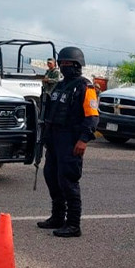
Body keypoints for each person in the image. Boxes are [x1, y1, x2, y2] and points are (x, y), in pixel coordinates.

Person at [37, 46, 99, 238]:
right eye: (61, 63)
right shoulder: (60, 85)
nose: (63, 66)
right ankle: (57, 217)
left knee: (68, 180)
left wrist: (83, 140)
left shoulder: (85, 87)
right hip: (54, 139)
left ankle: (73, 224)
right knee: (51, 177)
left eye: (67, 63)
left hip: (71, 140)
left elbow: (92, 116)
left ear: (77, 65)